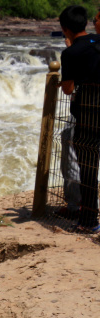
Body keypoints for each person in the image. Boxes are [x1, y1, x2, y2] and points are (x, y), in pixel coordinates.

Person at [60, 5, 100, 232]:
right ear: (86, 23)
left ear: (65, 29)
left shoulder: (71, 54)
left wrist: (70, 50)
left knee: (88, 167)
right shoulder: (97, 42)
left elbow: (67, 89)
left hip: (87, 115)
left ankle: (88, 221)